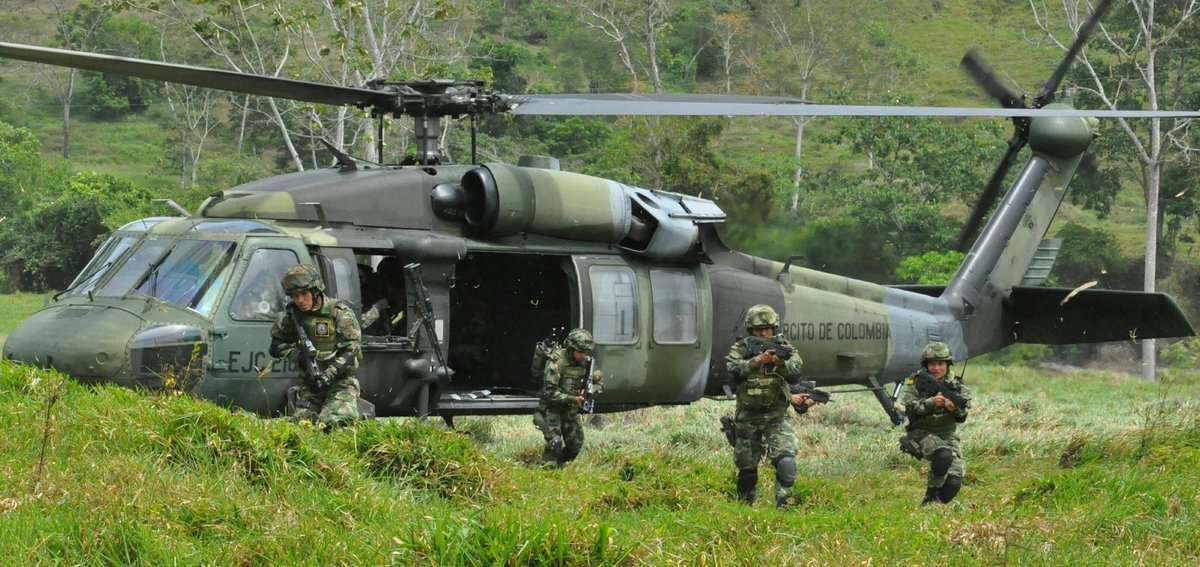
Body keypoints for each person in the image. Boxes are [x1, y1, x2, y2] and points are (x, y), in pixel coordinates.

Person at [725, 304, 813, 508]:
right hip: (748, 416)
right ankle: (743, 507)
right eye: (758, 330)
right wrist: (756, 361)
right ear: (751, 330)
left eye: (767, 329)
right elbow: (732, 368)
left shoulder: (783, 346)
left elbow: (796, 370)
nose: (763, 333)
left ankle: (784, 504)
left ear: (774, 329)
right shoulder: (742, 348)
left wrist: (779, 362)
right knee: (747, 469)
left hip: (776, 416)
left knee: (786, 461)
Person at [269, 264, 363, 428]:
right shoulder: (291, 317)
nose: (299, 300)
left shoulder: (338, 313)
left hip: (341, 383)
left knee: (334, 424)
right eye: (294, 296)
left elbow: (351, 349)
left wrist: (330, 373)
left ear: (316, 291)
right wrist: (298, 356)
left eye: (304, 294)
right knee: (302, 425)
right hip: (311, 384)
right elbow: (276, 346)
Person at [898, 341, 971, 505]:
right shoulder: (917, 382)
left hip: (947, 435)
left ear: (947, 365)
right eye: (932, 364)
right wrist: (931, 403)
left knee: (953, 483)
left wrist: (953, 408)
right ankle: (930, 497)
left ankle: (936, 505)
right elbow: (908, 408)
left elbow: (962, 416)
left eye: (940, 364)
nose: (936, 368)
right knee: (943, 455)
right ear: (926, 365)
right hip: (920, 433)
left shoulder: (957, 387)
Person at [534, 328, 602, 467]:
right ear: (571, 349)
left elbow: (599, 382)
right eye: (581, 352)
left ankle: (559, 466)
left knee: (575, 444)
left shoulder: (587, 363)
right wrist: (574, 399)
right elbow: (550, 393)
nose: (584, 355)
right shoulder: (557, 362)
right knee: (555, 444)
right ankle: (548, 468)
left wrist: (591, 390)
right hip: (550, 410)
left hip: (570, 411)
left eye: (586, 352)